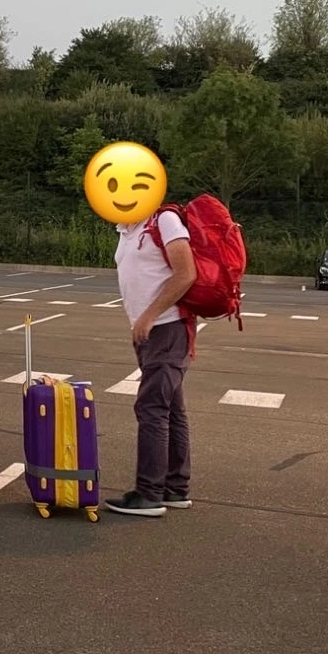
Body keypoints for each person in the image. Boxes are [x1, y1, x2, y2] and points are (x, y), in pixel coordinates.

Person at [105, 205, 198, 517]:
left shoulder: (164, 220)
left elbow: (186, 273)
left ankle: (149, 494)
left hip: (167, 329)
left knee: (152, 408)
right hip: (150, 333)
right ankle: (175, 488)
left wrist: (149, 316)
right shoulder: (127, 229)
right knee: (171, 409)